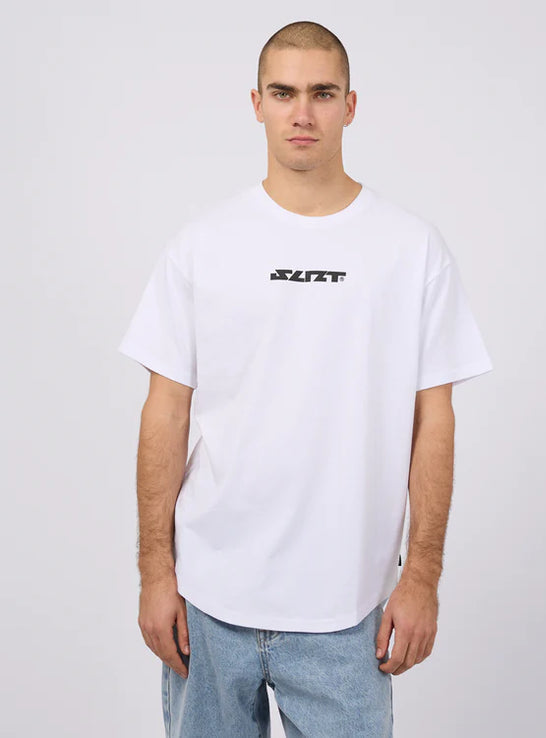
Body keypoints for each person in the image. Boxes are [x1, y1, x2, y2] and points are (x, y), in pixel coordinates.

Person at [117, 19, 493, 738]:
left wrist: (421, 578)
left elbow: (434, 422)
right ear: (256, 103)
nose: (302, 113)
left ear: (350, 105)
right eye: (284, 93)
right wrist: (156, 573)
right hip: (208, 602)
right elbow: (164, 413)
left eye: (322, 93)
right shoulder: (203, 245)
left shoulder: (410, 248)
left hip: (346, 615)